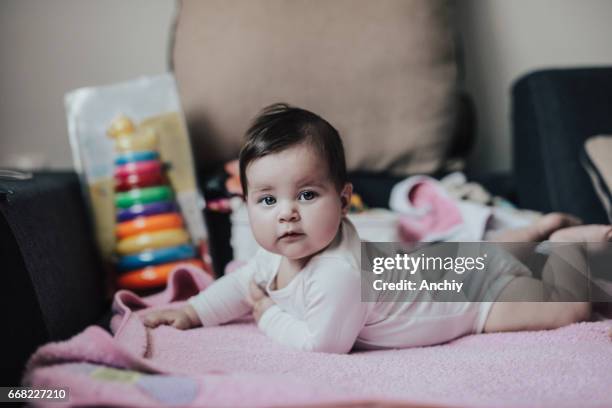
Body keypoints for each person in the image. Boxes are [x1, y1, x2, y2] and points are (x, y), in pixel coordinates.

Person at [143, 103, 611, 353]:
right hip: (440, 263)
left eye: (307, 195)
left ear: (344, 200)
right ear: (245, 206)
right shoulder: (276, 255)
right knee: (487, 251)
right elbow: (241, 282)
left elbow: (322, 346)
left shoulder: (337, 274)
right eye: (267, 200)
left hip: (471, 301)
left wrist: (267, 316)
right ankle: (532, 234)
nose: (286, 212)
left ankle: (572, 247)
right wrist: (193, 313)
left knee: (562, 309)